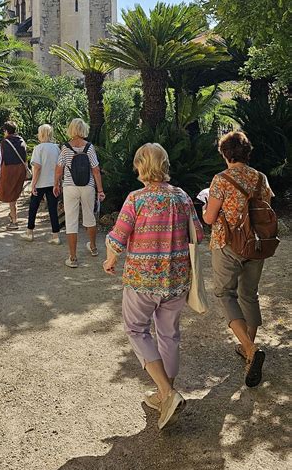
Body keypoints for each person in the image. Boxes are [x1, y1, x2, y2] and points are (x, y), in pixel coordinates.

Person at [103, 142, 204, 430]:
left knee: (136, 329)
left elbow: (118, 238)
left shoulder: (136, 199)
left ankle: (167, 393)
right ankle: (165, 394)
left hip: (142, 280)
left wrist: (109, 261)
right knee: (169, 336)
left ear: (140, 167)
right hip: (176, 279)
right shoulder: (182, 197)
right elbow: (198, 235)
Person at [203, 130, 273, 388]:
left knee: (225, 294)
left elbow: (210, 218)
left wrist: (204, 206)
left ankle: (249, 348)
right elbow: (266, 209)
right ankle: (248, 350)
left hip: (228, 244)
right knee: (249, 295)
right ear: (247, 152)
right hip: (256, 245)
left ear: (225, 154)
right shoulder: (260, 178)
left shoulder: (221, 180)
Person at [53, 118, 105, 268]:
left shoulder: (65, 147)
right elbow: (95, 169)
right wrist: (100, 190)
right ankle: (93, 247)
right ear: (84, 130)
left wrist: (56, 184)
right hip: (87, 186)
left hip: (70, 187)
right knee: (90, 216)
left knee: (71, 221)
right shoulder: (89, 147)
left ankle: (73, 257)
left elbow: (58, 169)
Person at [22, 124, 61, 244]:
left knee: (33, 207)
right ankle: (55, 235)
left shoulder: (38, 148)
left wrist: (33, 184)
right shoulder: (56, 148)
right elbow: (59, 167)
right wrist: (57, 182)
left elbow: (37, 167)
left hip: (40, 183)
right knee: (53, 209)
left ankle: (30, 232)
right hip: (53, 182)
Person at [0, 121, 27, 230]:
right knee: (14, 195)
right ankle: (12, 216)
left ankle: (14, 220)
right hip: (20, 170)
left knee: (11, 196)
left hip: (9, 170)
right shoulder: (21, 140)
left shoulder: (5, 142)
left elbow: (3, 158)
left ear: (6, 131)